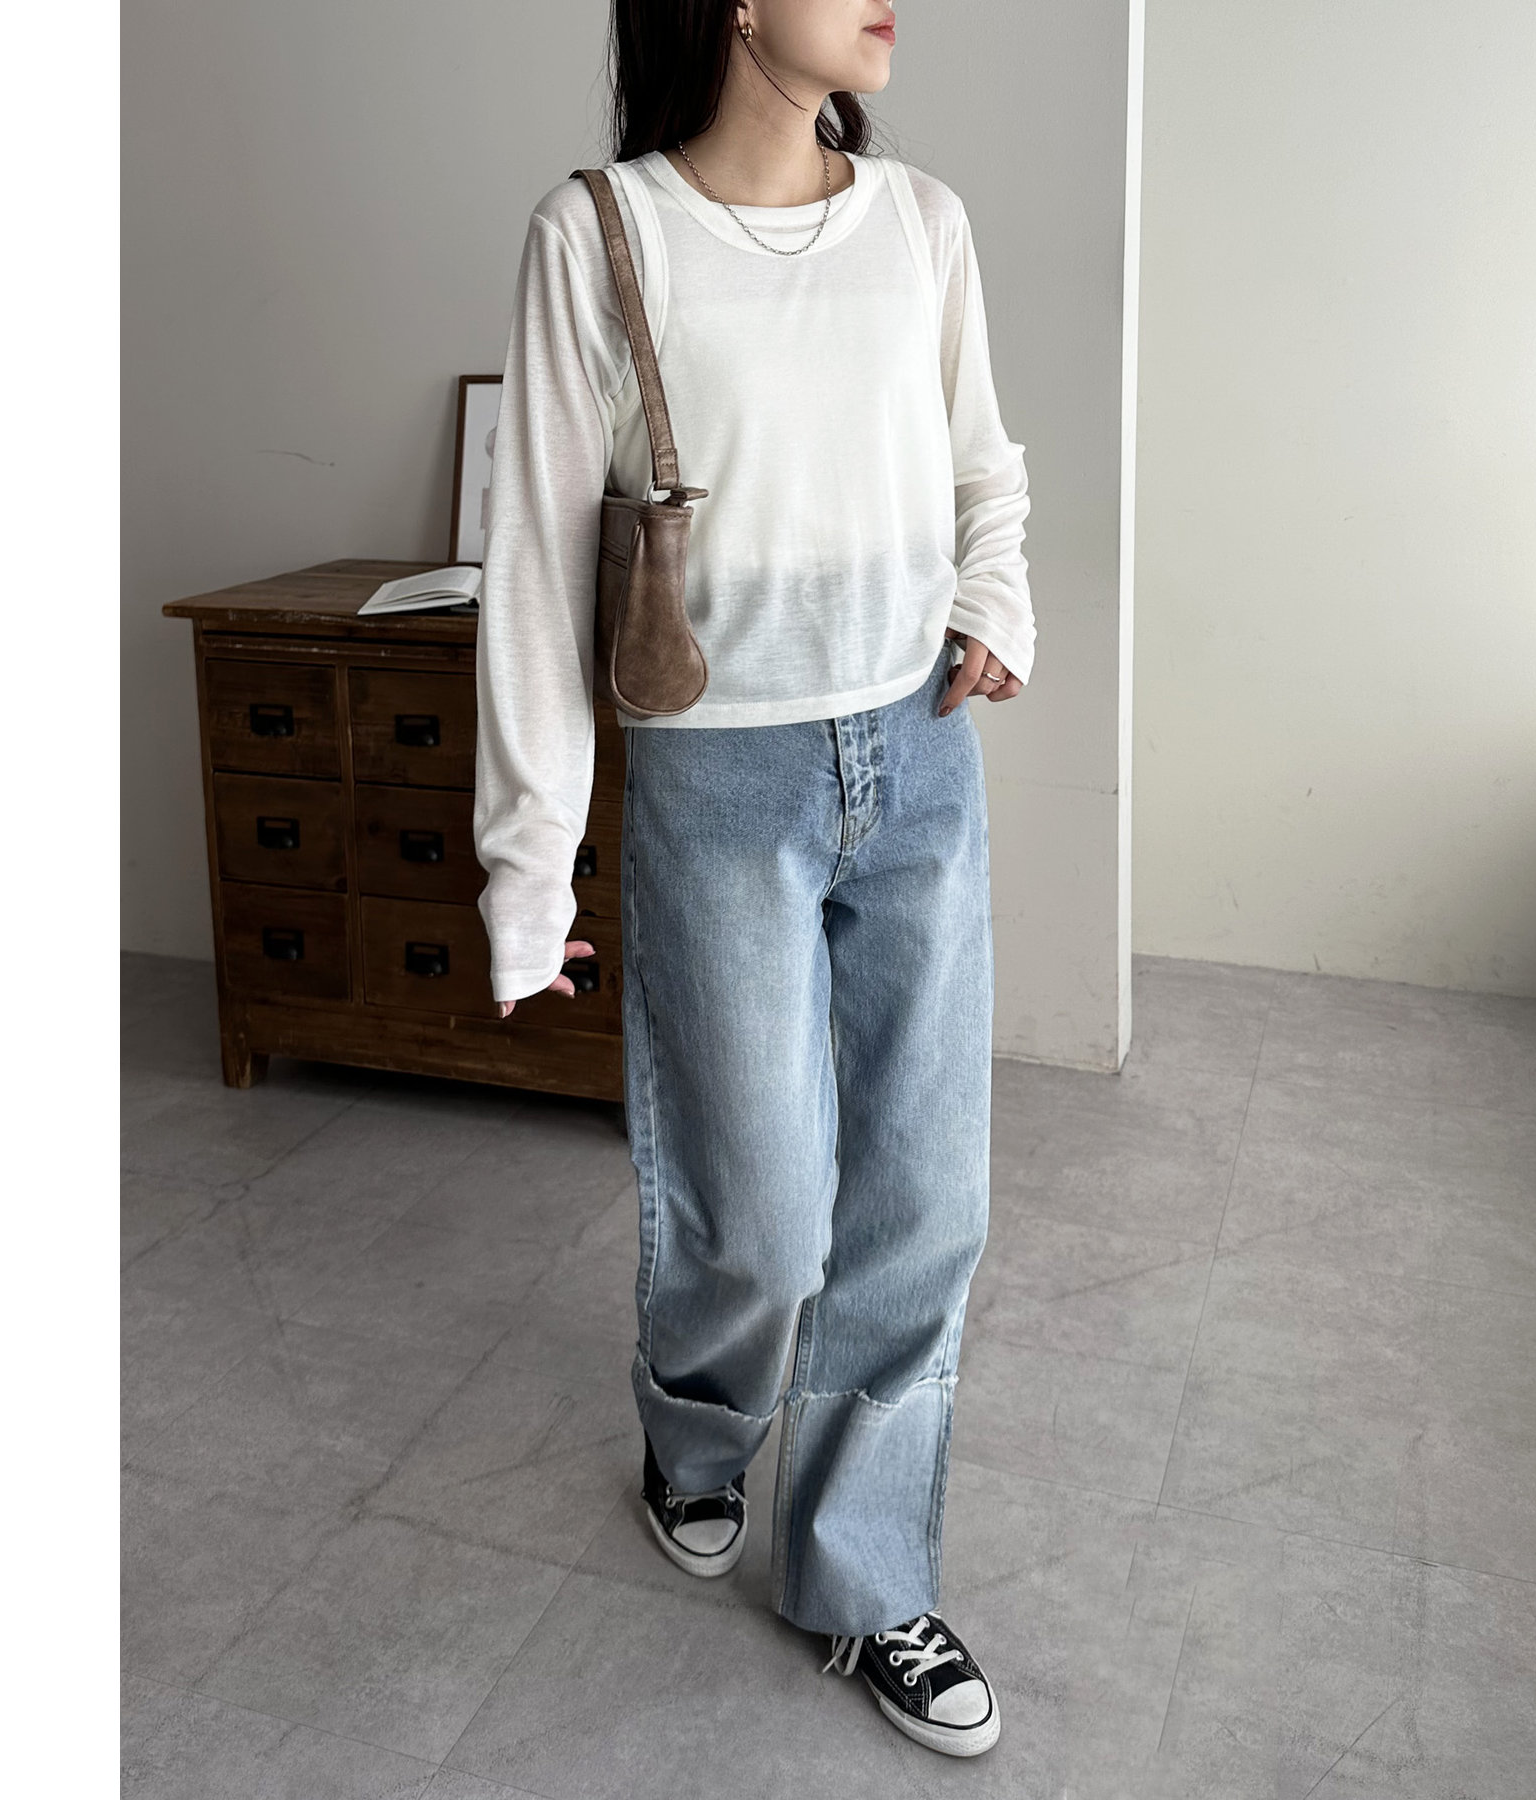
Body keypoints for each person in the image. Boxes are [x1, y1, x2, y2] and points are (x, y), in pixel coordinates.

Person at [472, 0, 1032, 1759]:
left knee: (924, 1198)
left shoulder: (921, 221)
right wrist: (527, 869)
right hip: (721, 775)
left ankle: (864, 1580)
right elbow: (536, 565)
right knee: (765, 1210)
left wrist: (994, 603)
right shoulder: (602, 232)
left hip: (918, 752)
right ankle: (698, 1427)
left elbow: (982, 464)